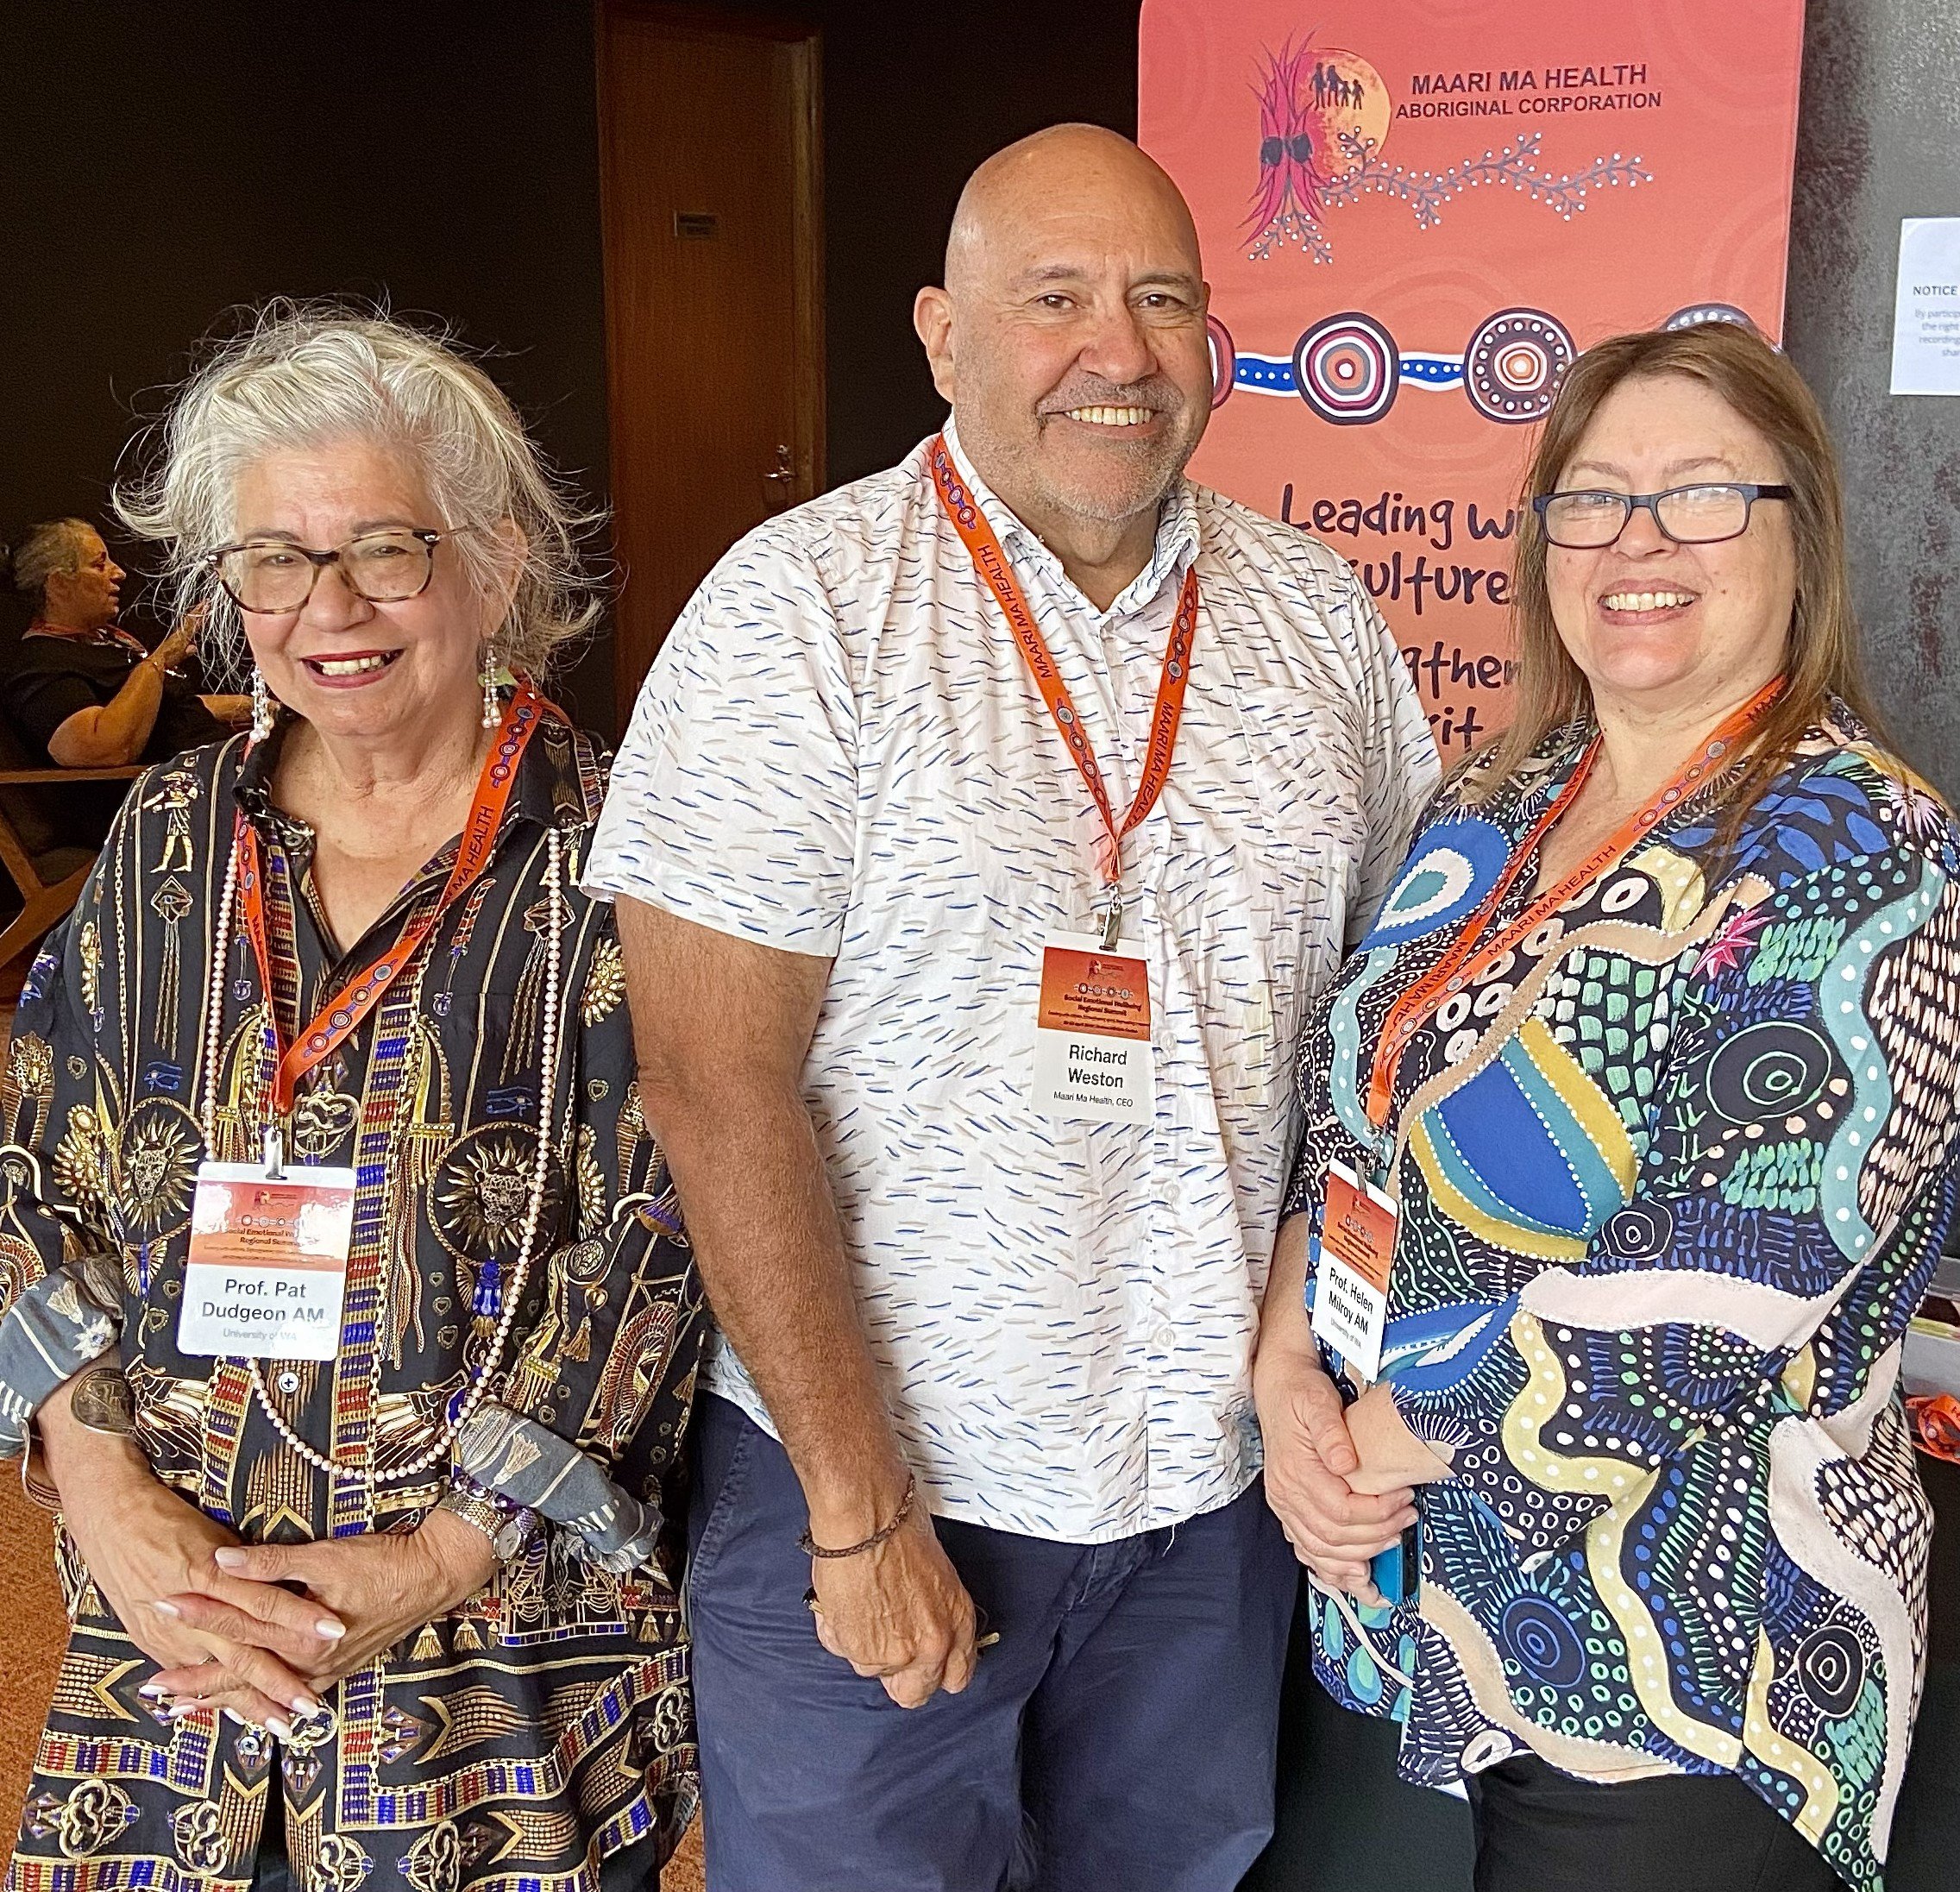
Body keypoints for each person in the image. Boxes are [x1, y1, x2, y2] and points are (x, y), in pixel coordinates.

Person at [585, 123, 1438, 1889]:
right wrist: (856, 1507)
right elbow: (713, 1082)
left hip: (1206, 1502)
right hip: (880, 1491)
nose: (1116, 351)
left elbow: (1384, 1041)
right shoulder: (797, 611)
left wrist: (1299, 1367)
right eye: (1053, 299)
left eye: (1161, 299)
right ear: (940, 334)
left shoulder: (1318, 619)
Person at [0, 306, 706, 1891]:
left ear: (497, 564)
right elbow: (28, 1167)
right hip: (170, 1645)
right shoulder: (169, 834)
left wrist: (437, 1557)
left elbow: (669, 1235)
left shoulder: (629, 856)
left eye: (386, 549)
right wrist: (106, 1495)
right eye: (274, 559)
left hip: (488, 1674)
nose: (330, 608)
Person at [1260, 320, 1960, 1892]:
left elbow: (1716, 1289)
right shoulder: (1495, 800)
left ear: (1799, 535)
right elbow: (1350, 1106)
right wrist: (1283, 1362)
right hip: (1417, 1591)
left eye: (1701, 492)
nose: (1637, 542)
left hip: (1684, 1660)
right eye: (1592, 497)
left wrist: (1372, 1442)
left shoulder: (1862, 852)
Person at [2, 515, 244, 766]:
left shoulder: (107, 641)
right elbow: (101, 748)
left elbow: (171, 711)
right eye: (99, 565)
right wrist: (159, 661)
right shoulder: (39, 663)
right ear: (59, 584)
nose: (119, 573)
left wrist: (253, 707)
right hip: (182, 784)